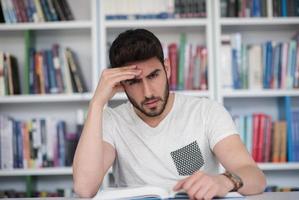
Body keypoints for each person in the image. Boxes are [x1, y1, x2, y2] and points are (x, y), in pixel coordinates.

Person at [73, 29, 266, 199]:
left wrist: (225, 182)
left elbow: (255, 177)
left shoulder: (206, 112)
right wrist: (97, 103)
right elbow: (84, 188)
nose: (148, 92)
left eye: (153, 75)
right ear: (120, 84)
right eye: (134, 82)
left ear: (167, 68)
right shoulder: (112, 121)